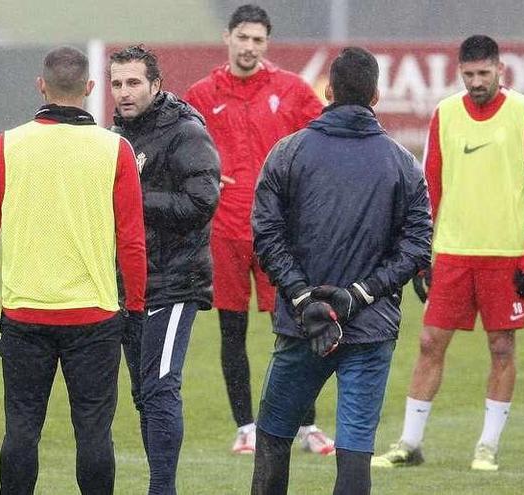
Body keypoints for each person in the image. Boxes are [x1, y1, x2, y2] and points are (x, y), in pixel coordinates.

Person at [250, 46, 432, 495]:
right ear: (376, 94)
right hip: (368, 328)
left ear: (328, 91)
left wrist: (302, 298)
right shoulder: (402, 164)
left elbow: (266, 235)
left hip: (301, 325)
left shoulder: (287, 152)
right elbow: (417, 246)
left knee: (273, 436)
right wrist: (361, 294)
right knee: (355, 449)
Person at [0, 46, 147, 494]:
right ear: (90, 89)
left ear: (40, 86)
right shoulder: (116, 149)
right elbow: (132, 241)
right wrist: (138, 310)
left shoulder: (6, 145)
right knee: (93, 433)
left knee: (22, 429)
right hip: (95, 316)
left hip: (26, 315)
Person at [372, 34, 524, 471]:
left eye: (483, 74)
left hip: (505, 254)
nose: (476, 82)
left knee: (502, 347)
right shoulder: (445, 114)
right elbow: (427, 189)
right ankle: (409, 444)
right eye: (468, 74)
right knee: (430, 341)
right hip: (451, 252)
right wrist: (422, 255)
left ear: (500, 70)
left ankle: (487, 446)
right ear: (460, 72)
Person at [183, 4, 332, 455]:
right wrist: (203, 177)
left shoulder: (292, 90)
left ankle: (307, 426)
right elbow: (180, 152)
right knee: (232, 330)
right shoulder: (200, 95)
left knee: (295, 326)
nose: (249, 47)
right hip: (224, 231)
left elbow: (326, 139)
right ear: (227, 38)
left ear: (267, 44)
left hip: (280, 235)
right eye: (242, 38)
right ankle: (246, 426)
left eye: (258, 40)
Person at [108, 44, 220, 494]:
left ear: (156, 85)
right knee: (144, 396)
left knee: (158, 389)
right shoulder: (119, 135)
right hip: (133, 283)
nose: (124, 92)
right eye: (117, 83)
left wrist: (132, 200)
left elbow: (203, 201)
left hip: (175, 281)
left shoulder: (186, 132)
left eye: (134, 82)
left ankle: (162, 489)